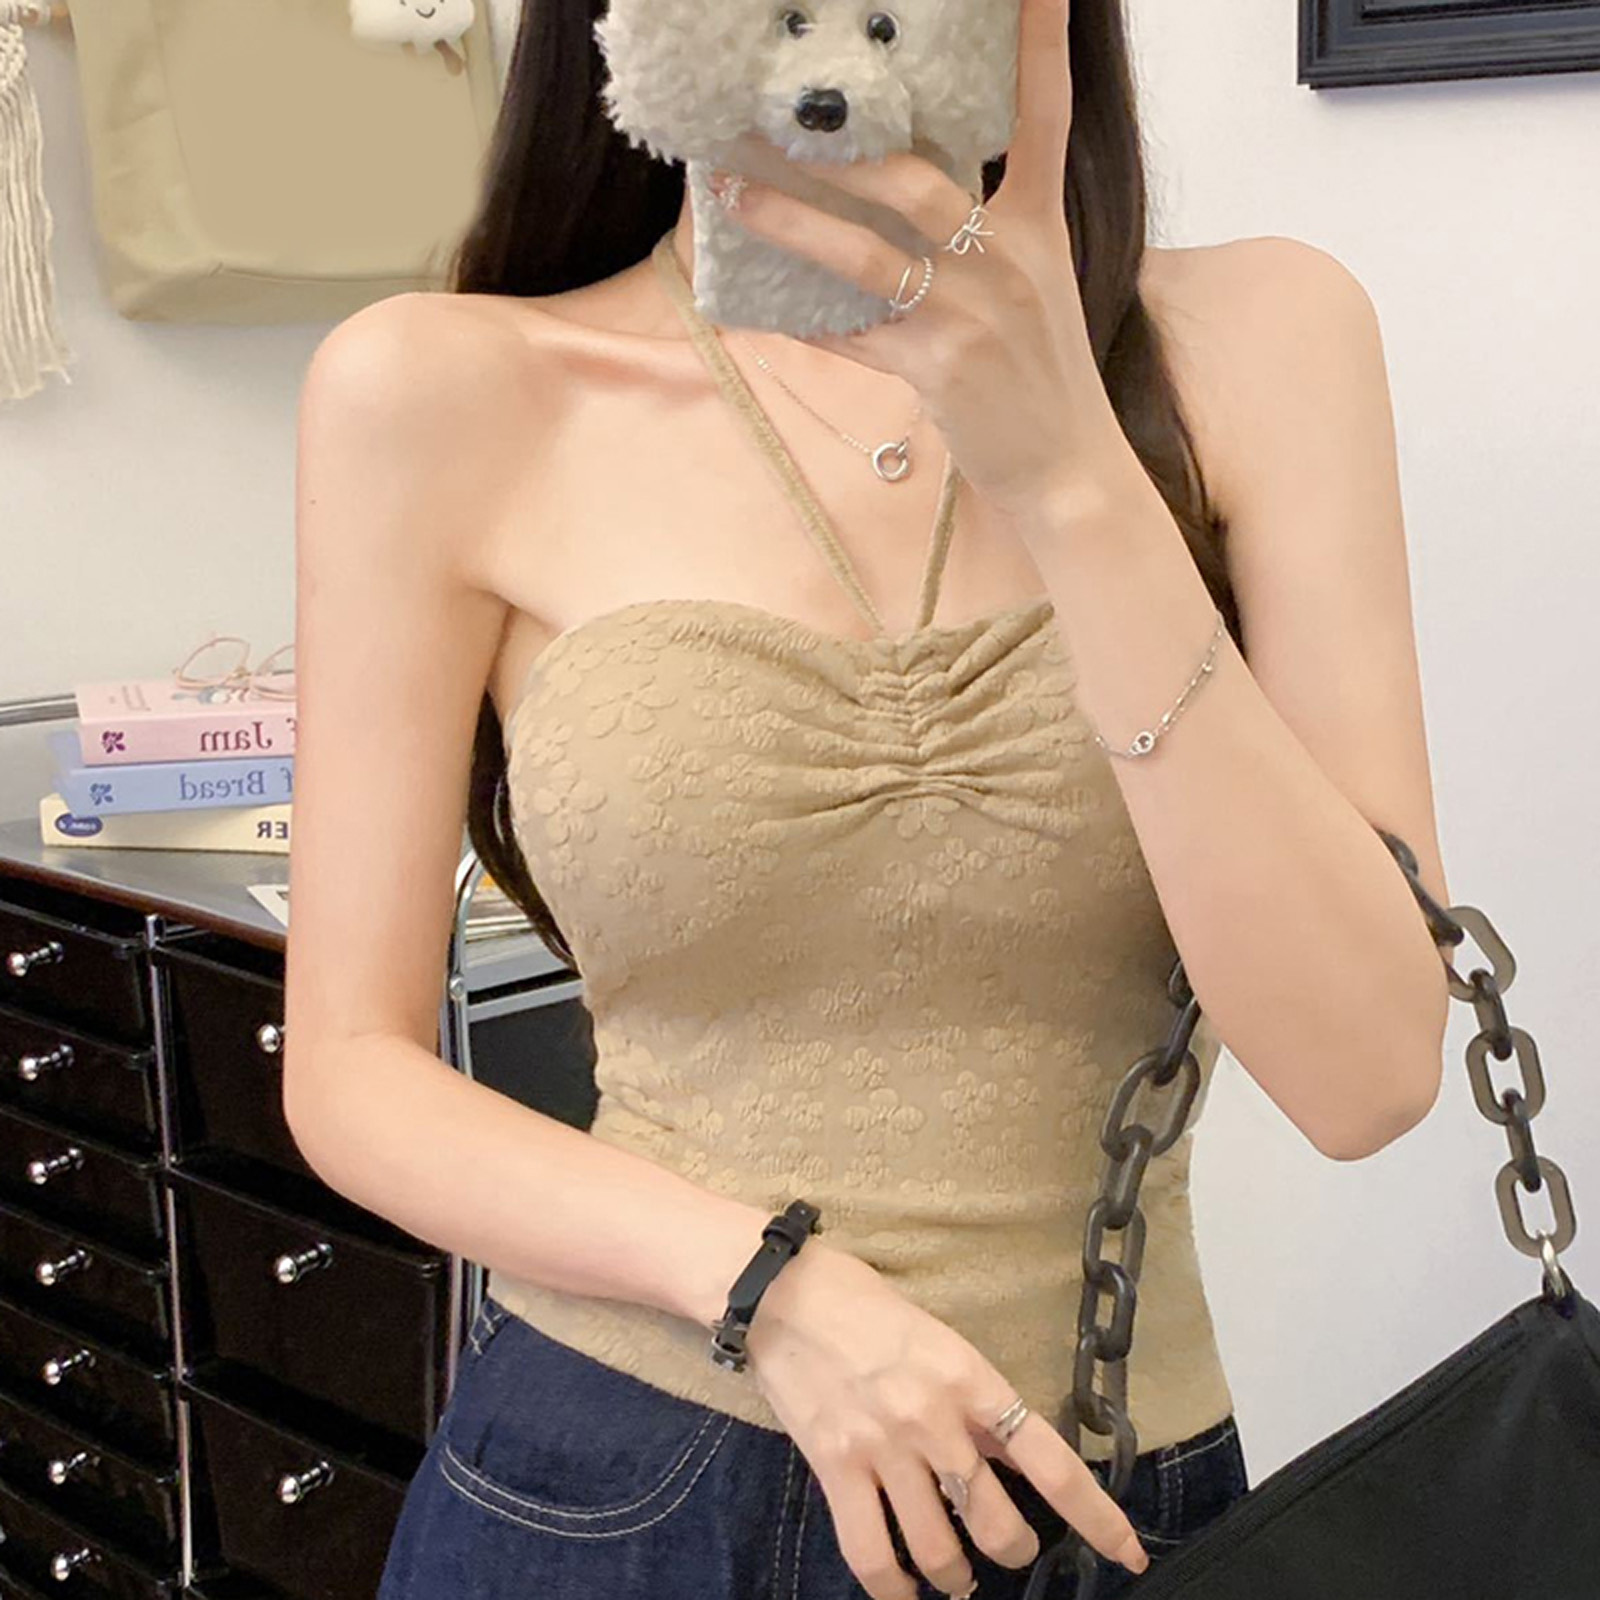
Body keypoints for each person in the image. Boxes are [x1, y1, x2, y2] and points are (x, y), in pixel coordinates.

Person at [282, 0, 1452, 1595]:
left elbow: (1369, 1076)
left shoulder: (1263, 340)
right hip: (619, 1480)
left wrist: (1066, 468)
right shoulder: (441, 388)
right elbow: (350, 1070)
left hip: (1099, 1487)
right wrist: (773, 1291)